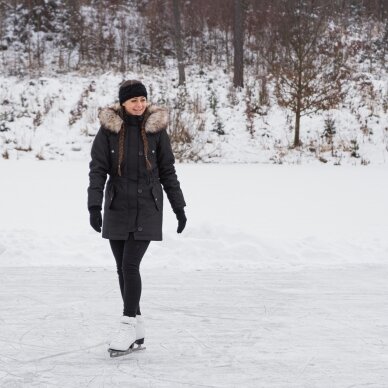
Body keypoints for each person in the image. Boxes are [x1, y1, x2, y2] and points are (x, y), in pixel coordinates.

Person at [87, 80, 187, 355]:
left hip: (148, 205)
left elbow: (167, 171)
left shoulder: (156, 130)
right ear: (123, 103)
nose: (139, 105)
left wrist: (179, 207)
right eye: (134, 101)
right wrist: (94, 206)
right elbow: (97, 170)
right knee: (121, 267)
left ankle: (127, 322)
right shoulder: (109, 130)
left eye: (143, 99)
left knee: (130, 265)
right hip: (117, 205)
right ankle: (138, 327)